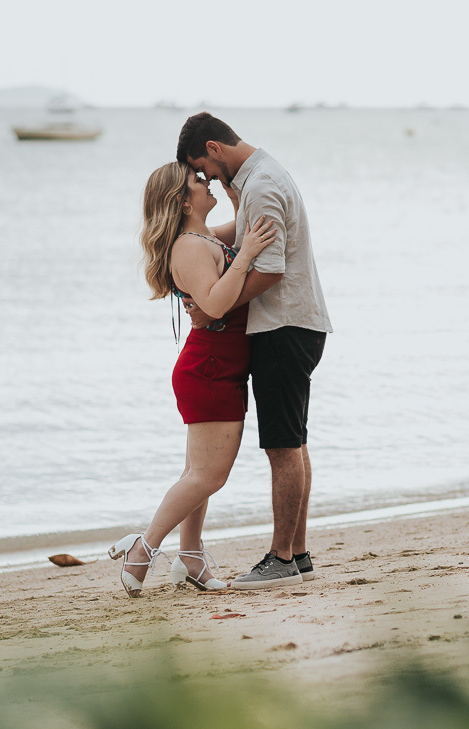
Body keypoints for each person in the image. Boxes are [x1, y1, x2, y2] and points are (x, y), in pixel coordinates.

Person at [176, 112, 333, 590]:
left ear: (214, 148)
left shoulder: (260, 185)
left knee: (282, 446)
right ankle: (298, 553)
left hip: (283, 326)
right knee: (294, 441)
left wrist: (212, 310)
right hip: (296, 324)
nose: (205, 178)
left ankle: (281, 558)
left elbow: (269, 271)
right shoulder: (258, 179)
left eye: (203, 168)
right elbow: (242, 242)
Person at [108, 161, 276, 598]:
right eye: (198, 181)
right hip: (211, 367)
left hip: (216, 363)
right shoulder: (188, 247)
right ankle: (144, 548)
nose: (207, 183)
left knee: (197, 472)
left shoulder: (201, 237)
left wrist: (241, 199)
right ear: (183, 201)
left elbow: (236, 229)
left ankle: (191, 557)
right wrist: (249, 257)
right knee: (208, 476)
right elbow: (217, 304)